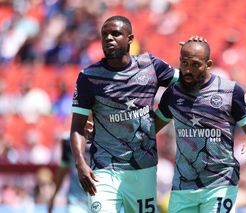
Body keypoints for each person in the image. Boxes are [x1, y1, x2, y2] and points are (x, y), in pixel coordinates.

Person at [70, 15, 182, 213]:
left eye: (115, 34)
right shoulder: (89, 77)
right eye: (105, 34)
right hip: (104, 169)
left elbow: (187, 85)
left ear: (130, 39)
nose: (109, 38)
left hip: (143, 169)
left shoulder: (151, 67)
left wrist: (161, 118)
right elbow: (77, 127)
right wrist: (80, 164)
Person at [155, 40, 246, 213]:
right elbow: (151, 128)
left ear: (209, 65)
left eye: (195, 65)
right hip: (184, 185)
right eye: (184, 63)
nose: (188, 70)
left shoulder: (231, 92)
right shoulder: (173, 94)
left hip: (220, 183)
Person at [48, 119, 93, 213]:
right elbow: (63, 169)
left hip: (98, 198)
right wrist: (54, 195)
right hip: (76, 200)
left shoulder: (102, 141)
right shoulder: (68, 142)